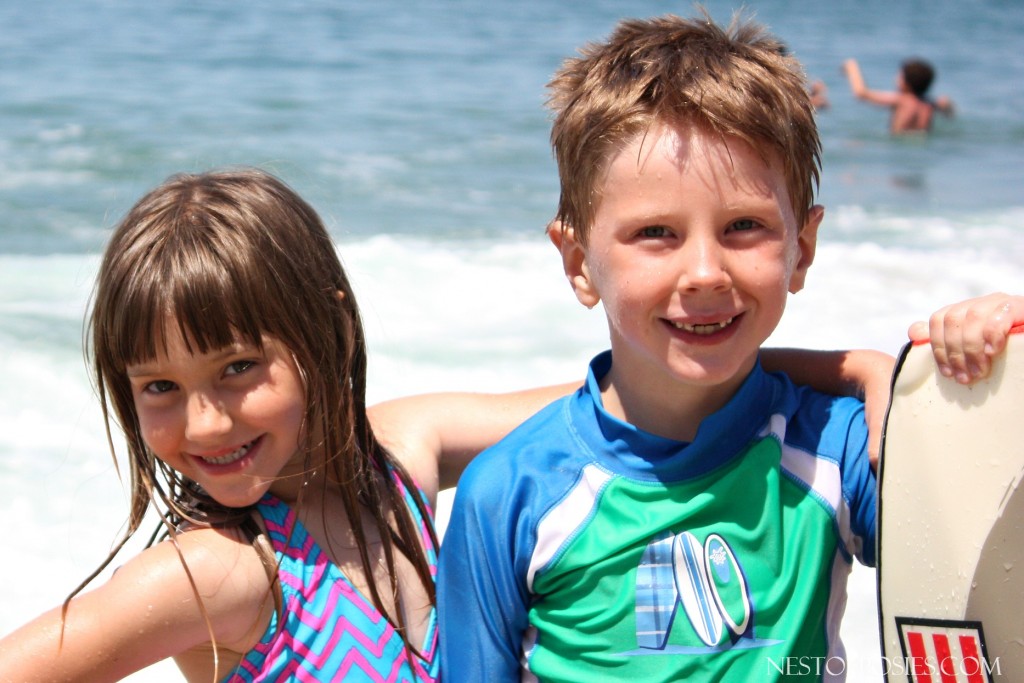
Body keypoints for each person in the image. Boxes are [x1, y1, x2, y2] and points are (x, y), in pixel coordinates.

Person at [0, 168, 898, 682]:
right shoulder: (219, 567)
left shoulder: (399, 451)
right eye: (158, 386)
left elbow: (644, 390)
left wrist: (857, 369)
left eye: (239, 368)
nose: (204, 419)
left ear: (326, 328)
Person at [436, 12, 1021, 681]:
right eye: (656, 232)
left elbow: (990, 554)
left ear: (802, 247)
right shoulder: (510, 492)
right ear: (577, 261)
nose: (707, 271)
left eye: (744, 226)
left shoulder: (838, 449)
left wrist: (996, 362)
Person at [843, 57, 954, 133]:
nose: (896, 78)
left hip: (900, 141)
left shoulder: (902, 100)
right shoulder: (930, 104)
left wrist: (852, 67)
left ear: (905, 83)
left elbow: (861, 93)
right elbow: (948, 109)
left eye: (899, 76)